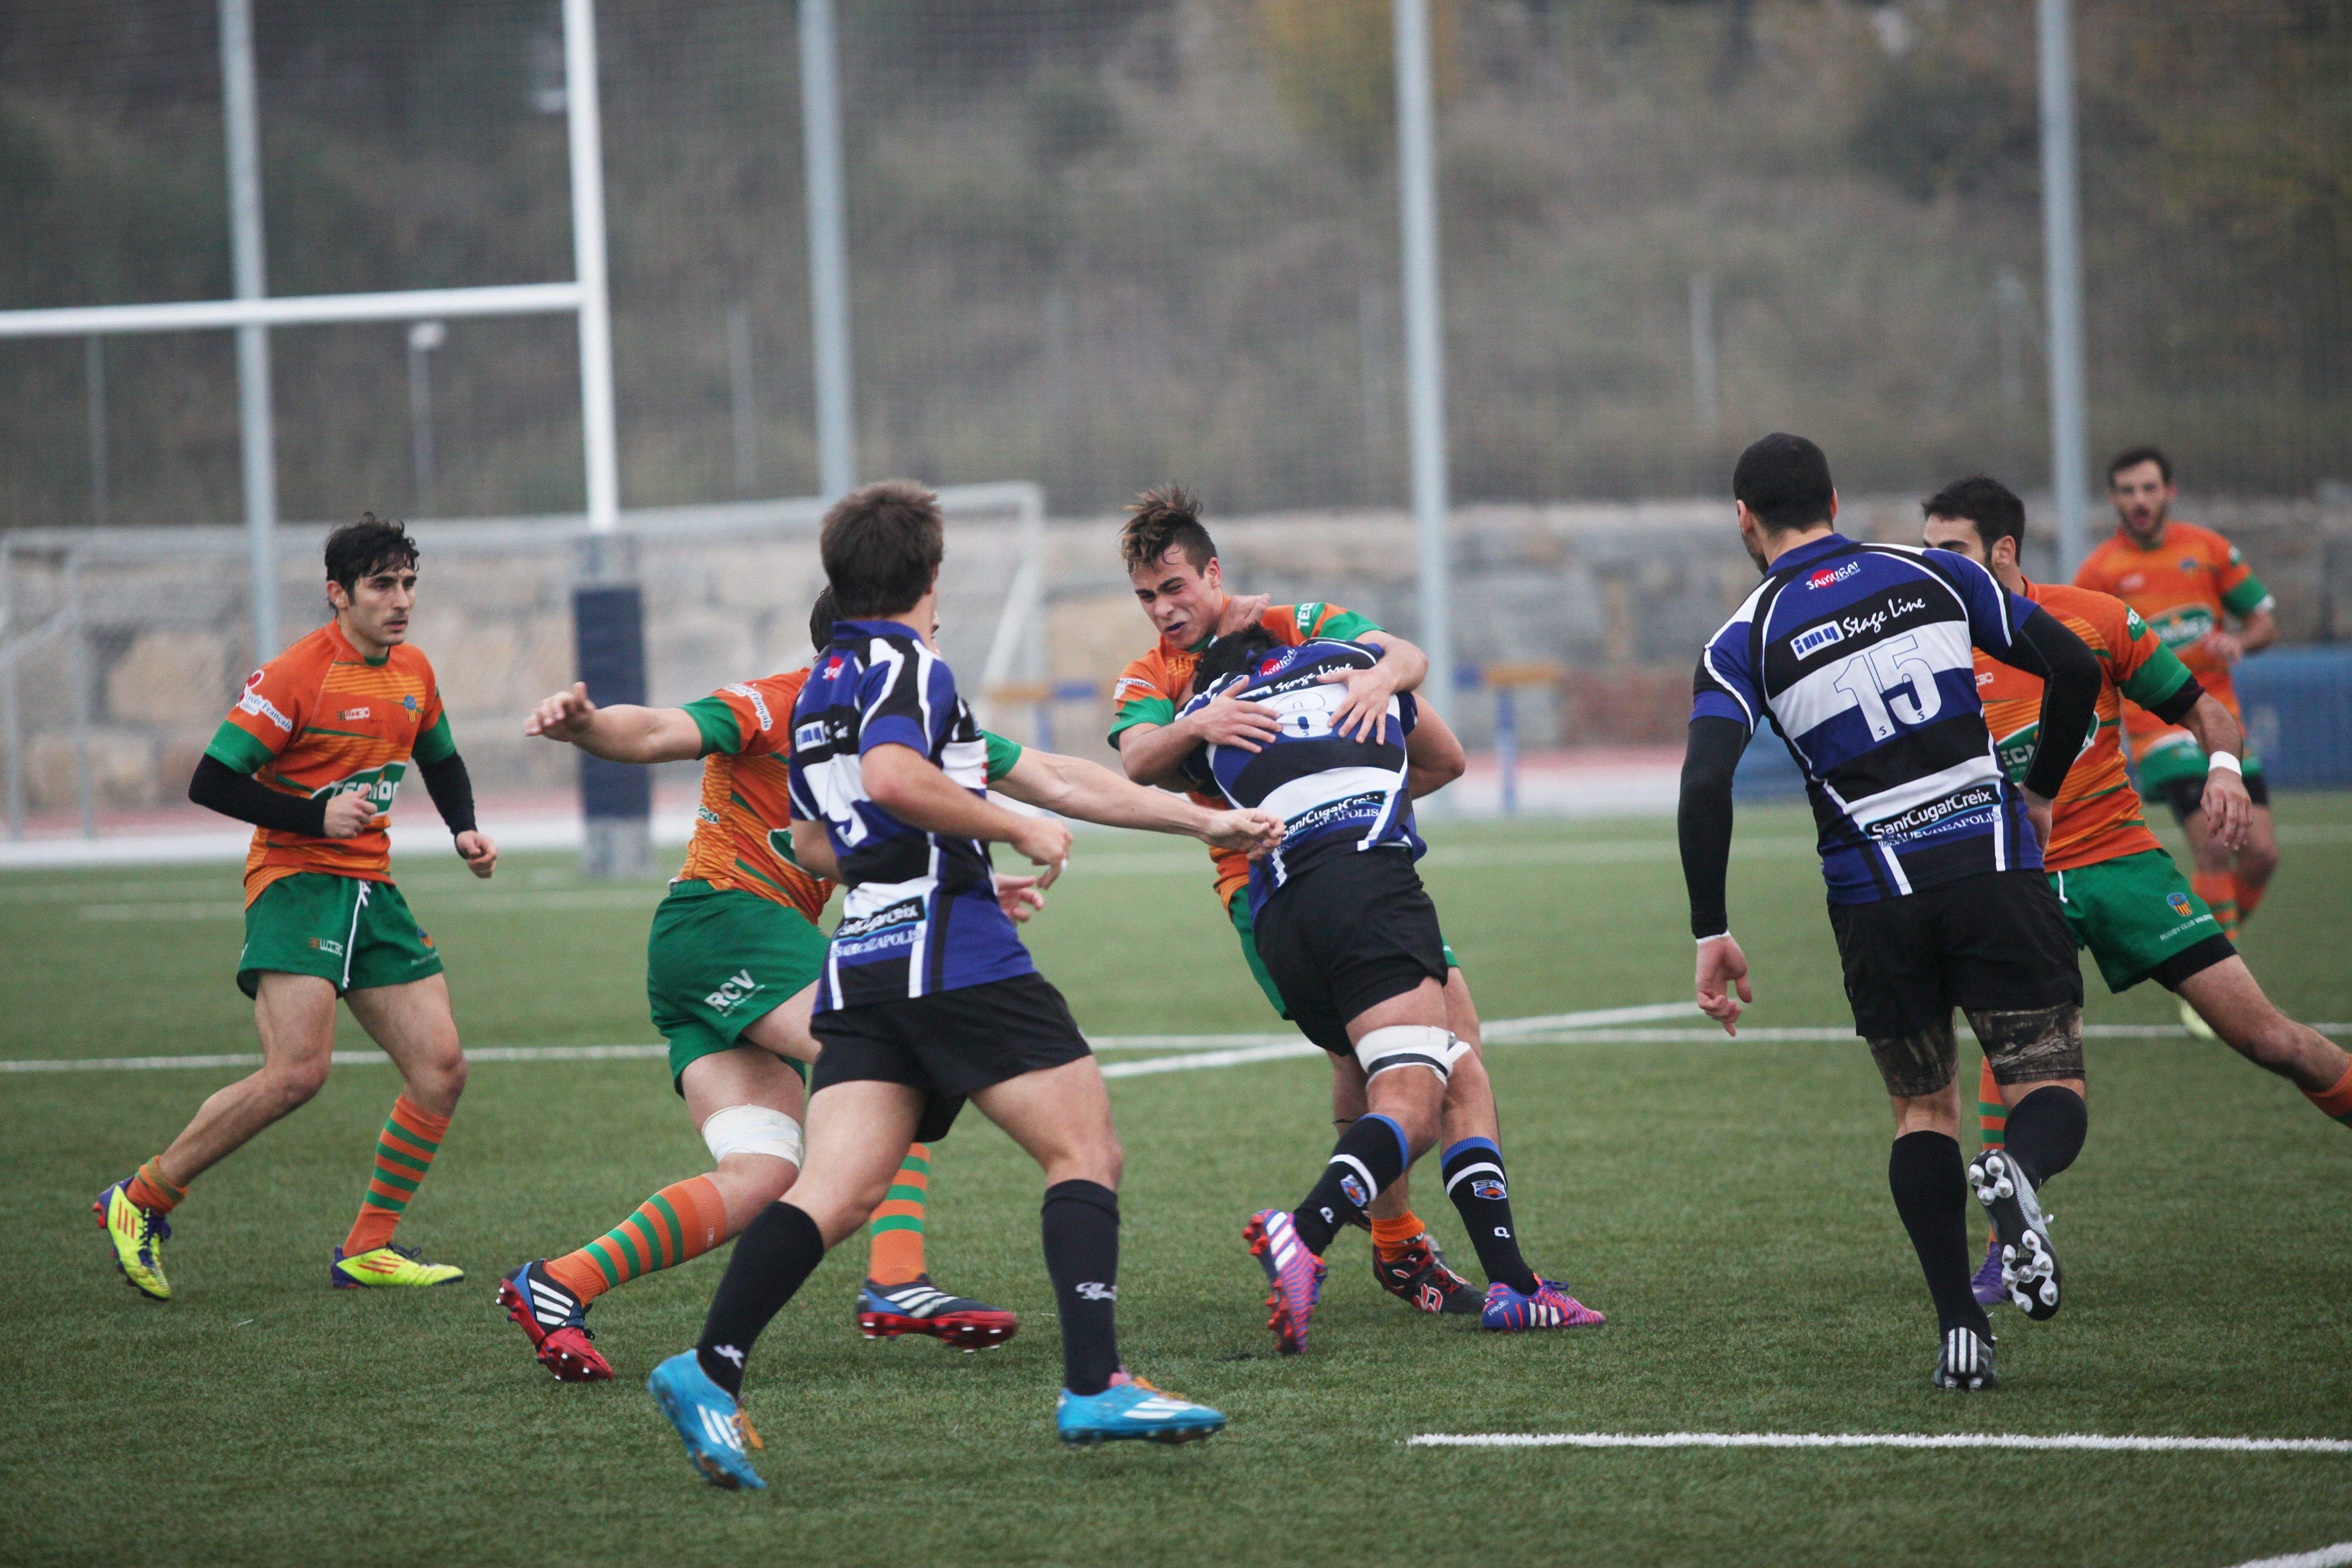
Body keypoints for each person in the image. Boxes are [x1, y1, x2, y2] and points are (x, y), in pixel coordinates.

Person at [646, 482, 1279, 1488]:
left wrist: (1203, 821)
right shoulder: (908, 661)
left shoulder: (822, 687)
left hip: (866, 956)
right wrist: (1006, 829)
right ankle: (1093, 1379)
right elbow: (903, 780)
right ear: (929, 577)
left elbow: (825, 834)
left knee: (835, 1189)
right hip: (951, 952)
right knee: (1084, 1144)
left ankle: (709, 1364)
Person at [498, 588, 1027, 1382]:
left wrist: (1197, 814)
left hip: (718, 957)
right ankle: (895, 1279)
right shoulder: (778, 702)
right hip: (726, 926)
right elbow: (660, 728)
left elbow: (1047, 773)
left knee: (764, 1172)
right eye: (925, 629)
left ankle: (560, 1281)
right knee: (898, 1049)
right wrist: (590, 727)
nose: (933, 645)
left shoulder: (902, 727)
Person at [1679, 435, 2104, 1391]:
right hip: (1990, 865)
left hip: (1875, 898)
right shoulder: (1935, 571)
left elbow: (1705, 782)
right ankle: (2022, 1176)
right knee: (2047, 1081)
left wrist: (1712, 926)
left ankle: (1960, 1324)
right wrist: (2036, 790)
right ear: (1833, 496)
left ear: (1744, 520)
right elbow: (2072, 667)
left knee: (1924, 1106)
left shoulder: (1741, 637)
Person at [1919, 478, 2352, 1302]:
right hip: (2022, 887)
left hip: (2122, 863)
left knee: (2273, 1041)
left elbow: (2205, 713)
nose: (1938, 572)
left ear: (2002, 552)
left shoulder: (2094, 618)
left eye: (1955, 554)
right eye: (1930, 554)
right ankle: (2003, 1254)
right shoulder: (1932, 651)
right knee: (2010, 1058)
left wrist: (2224, 770)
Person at [96, 515, 495, 1300]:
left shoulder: (414, 669)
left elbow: (440, 757)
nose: (400, 599)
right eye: (383, 584)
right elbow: (211, 780)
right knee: (297, 1072)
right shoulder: (296, 675)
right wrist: (315, 816)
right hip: (296, 880)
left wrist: (466, 829)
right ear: (338, 593)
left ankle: (368, 1245)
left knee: (440, 1069)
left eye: (409, 582)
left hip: (371, 889)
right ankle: (140, 1197)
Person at [1175, 622, 1605, 1351]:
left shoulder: (1215, 711)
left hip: (1280, 919)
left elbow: (1147, 767)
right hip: (1367, 889)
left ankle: (1515, 1285)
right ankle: (1305, 1232)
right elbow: (1445, 759)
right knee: (1414, 1104)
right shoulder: (1351, 665)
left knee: (1458, 1067)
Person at [1108, 485, 1482, 1317]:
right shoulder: (1150, 677)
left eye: (1174, 589)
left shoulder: (1300, 622)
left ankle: (1406, 1248)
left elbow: (1409, 667)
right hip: (1262, 886)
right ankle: (1402, 1247)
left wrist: (1382, 686)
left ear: (1212, 572)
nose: (1163, 611)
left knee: (1436, 1049)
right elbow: (1136, 762)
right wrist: (1199, 727)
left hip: (1352, 863)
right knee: (1376, 1060)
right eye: (1146, 597)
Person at [2074, 448, 2280, 974]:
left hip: (2220, 725)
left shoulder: (2208, 550)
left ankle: (2209, 944)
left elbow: (2264, 623)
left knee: (2261, 856)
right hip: (2156, 731)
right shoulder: (2100, 571)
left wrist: (2240, 642)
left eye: (2148, 488)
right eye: (2127, 491)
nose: (2139, 501)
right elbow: (2080, 652)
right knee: (2214, 850)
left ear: (2170, 491)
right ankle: (2222, 979)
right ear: (2113, 498)